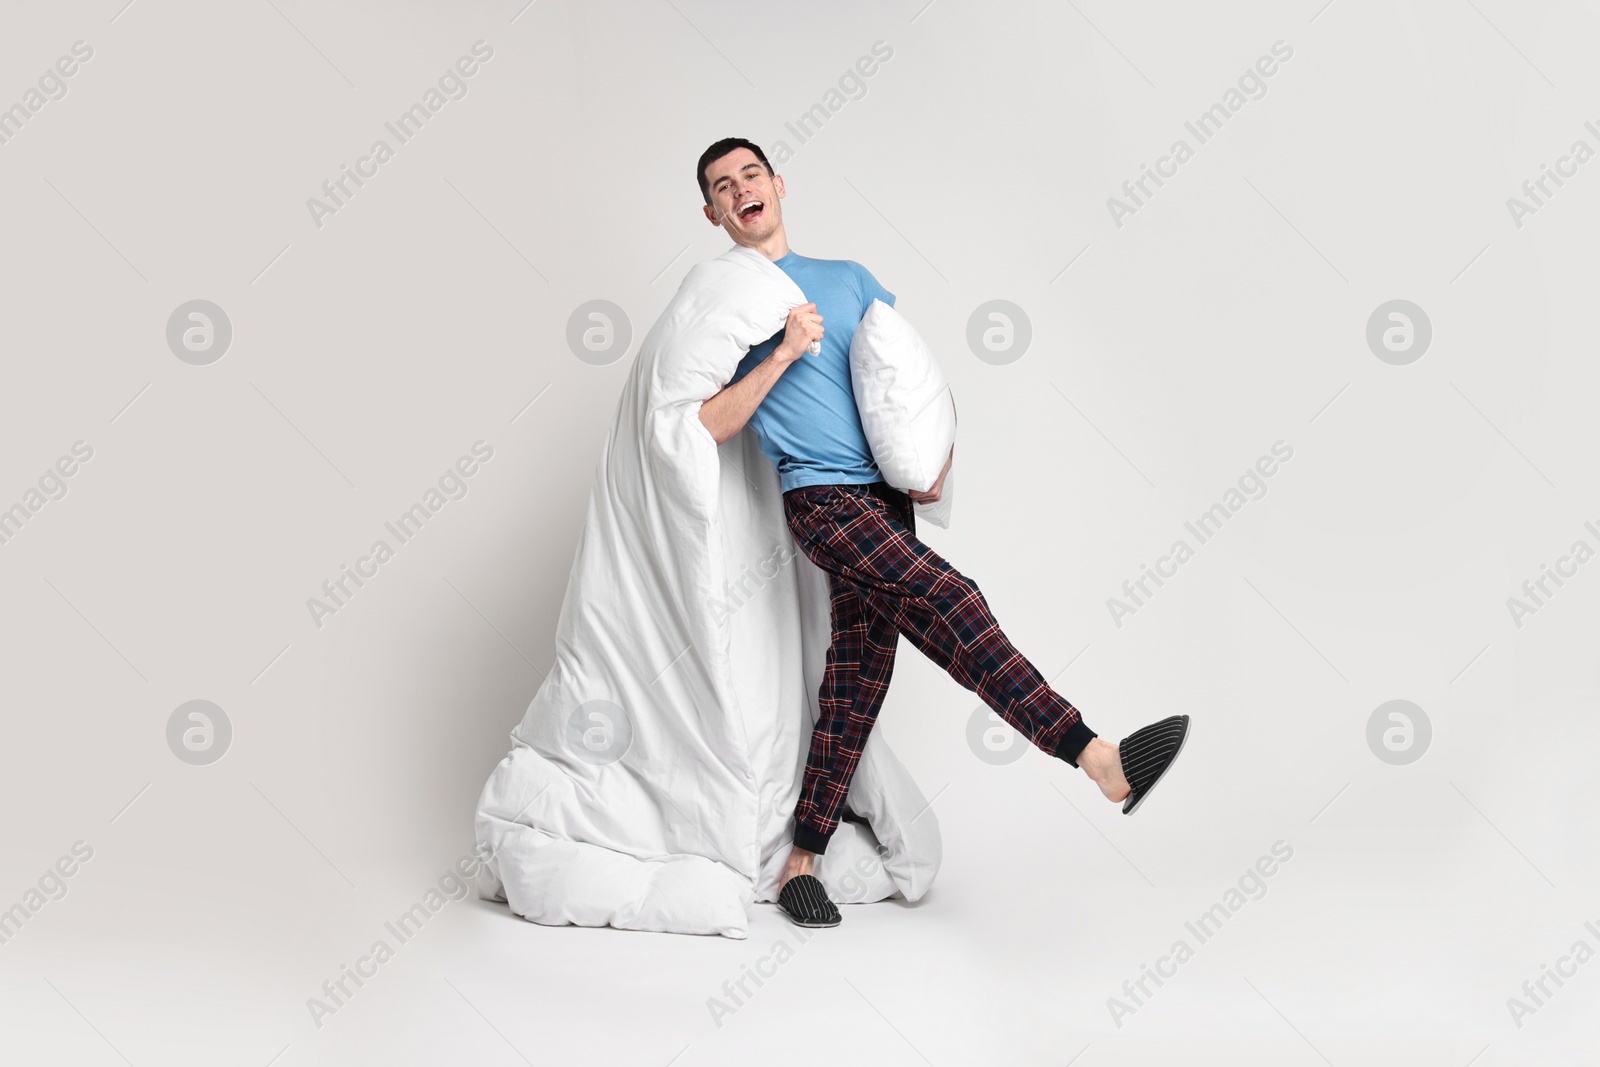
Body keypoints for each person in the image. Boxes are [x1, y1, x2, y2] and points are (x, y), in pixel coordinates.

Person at [694, 138, 1190, 928]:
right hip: (821, 501)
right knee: (950, 594)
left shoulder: (850, 279)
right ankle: (1099, 758)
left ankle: (801, 859)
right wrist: (785, 349)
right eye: (723, 186)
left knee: (857, 681)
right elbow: (706, 423)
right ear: (713, 213)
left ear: (779, 184)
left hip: (886, 500)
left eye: (751, 174)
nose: (741, 189)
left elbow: (904, 385)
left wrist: (934, 466)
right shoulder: (723, 304)